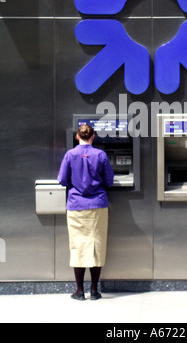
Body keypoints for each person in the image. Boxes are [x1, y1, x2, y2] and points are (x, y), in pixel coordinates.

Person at [57, 124, 114, 301]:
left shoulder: (70, 155)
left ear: (77, 137)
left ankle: (79, 291)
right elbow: (110, 181)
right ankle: (95, 290)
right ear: (93, 136)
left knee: (78, 246)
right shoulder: (101, 155)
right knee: (97, 245)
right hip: (98, 205)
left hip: (76, 206)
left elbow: (62, 180)